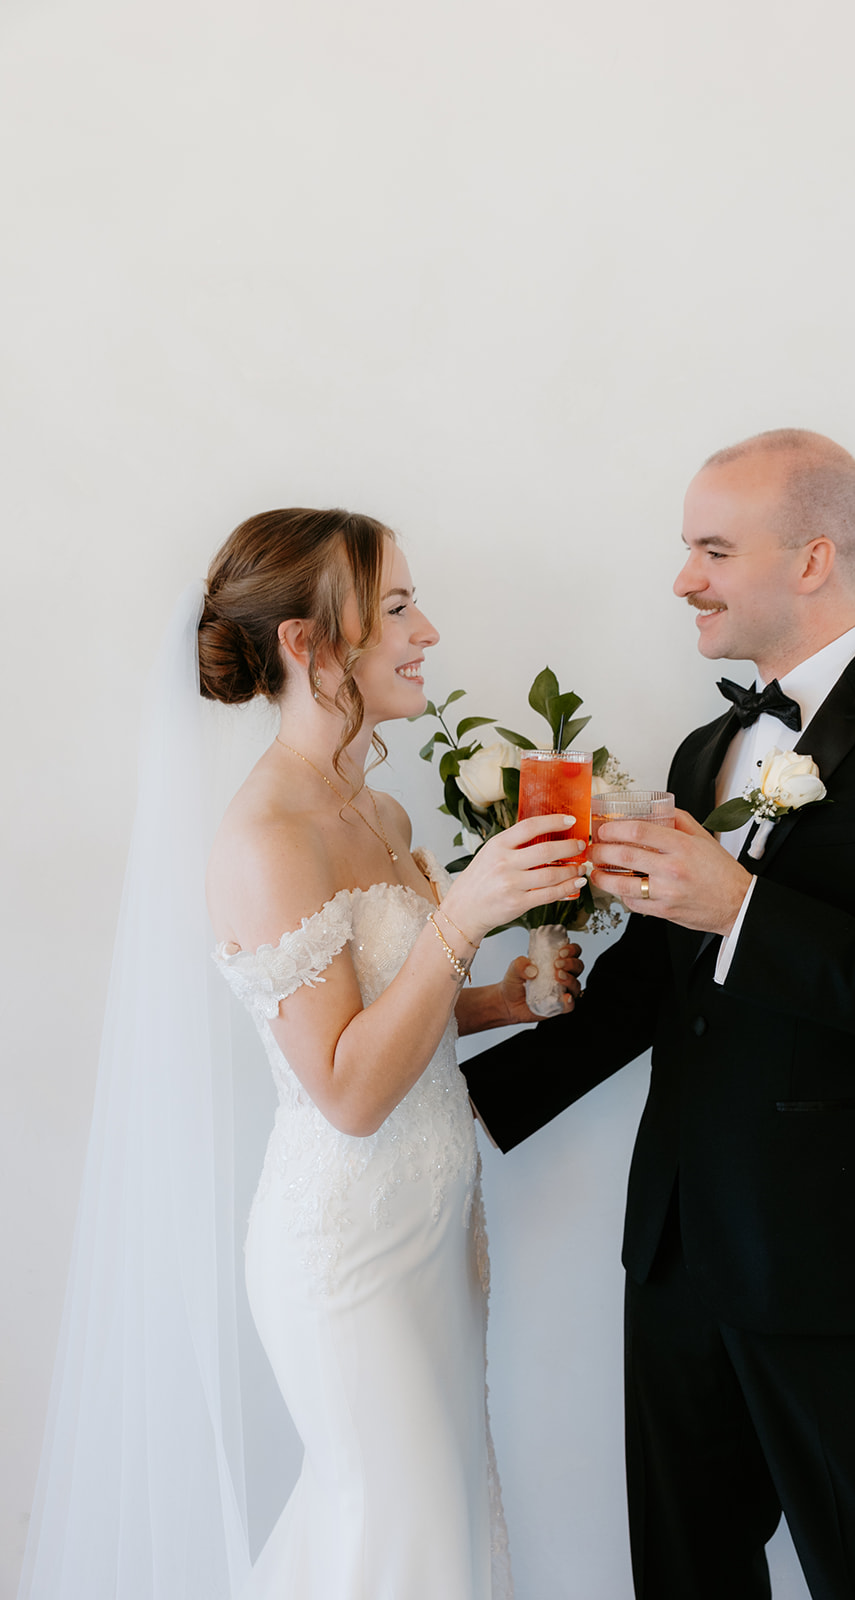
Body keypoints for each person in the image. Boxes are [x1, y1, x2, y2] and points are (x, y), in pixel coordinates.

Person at [462, 430, 855, 1600]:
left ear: (812, 557)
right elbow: (656, 993)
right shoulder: (705, 744)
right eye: (687, 549)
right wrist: (439, 1098)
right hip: (678, 1259)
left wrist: (746, 909)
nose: (683, 578)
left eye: (711, 549)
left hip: (851, 1267)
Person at [18, 507, 582, 1600]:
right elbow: (346, 1090)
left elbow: (384, 1014)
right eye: (400, 608)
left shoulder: (372, 804)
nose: (428, 632)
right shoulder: (265, 836)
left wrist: (498, 999)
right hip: (349, 1247)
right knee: (390, 1531)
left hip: (428, 1229)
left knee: (434, 1522)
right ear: (306, 642)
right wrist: (461, 916)